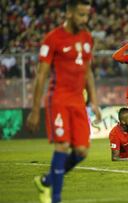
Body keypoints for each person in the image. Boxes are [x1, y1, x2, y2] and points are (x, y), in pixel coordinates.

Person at [26, 1, 101, 202]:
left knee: (82, 151)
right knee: (62, 146)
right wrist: (35, 110)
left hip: (78, 101)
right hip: (58, 98)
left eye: (86, 15)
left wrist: (93, 100)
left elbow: (88, 72)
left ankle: (46, 181)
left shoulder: (87, 37)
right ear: (69, 12)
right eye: (80, 15)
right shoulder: (53, 39)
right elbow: (41, 76)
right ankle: (55, 198)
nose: (84, 20)